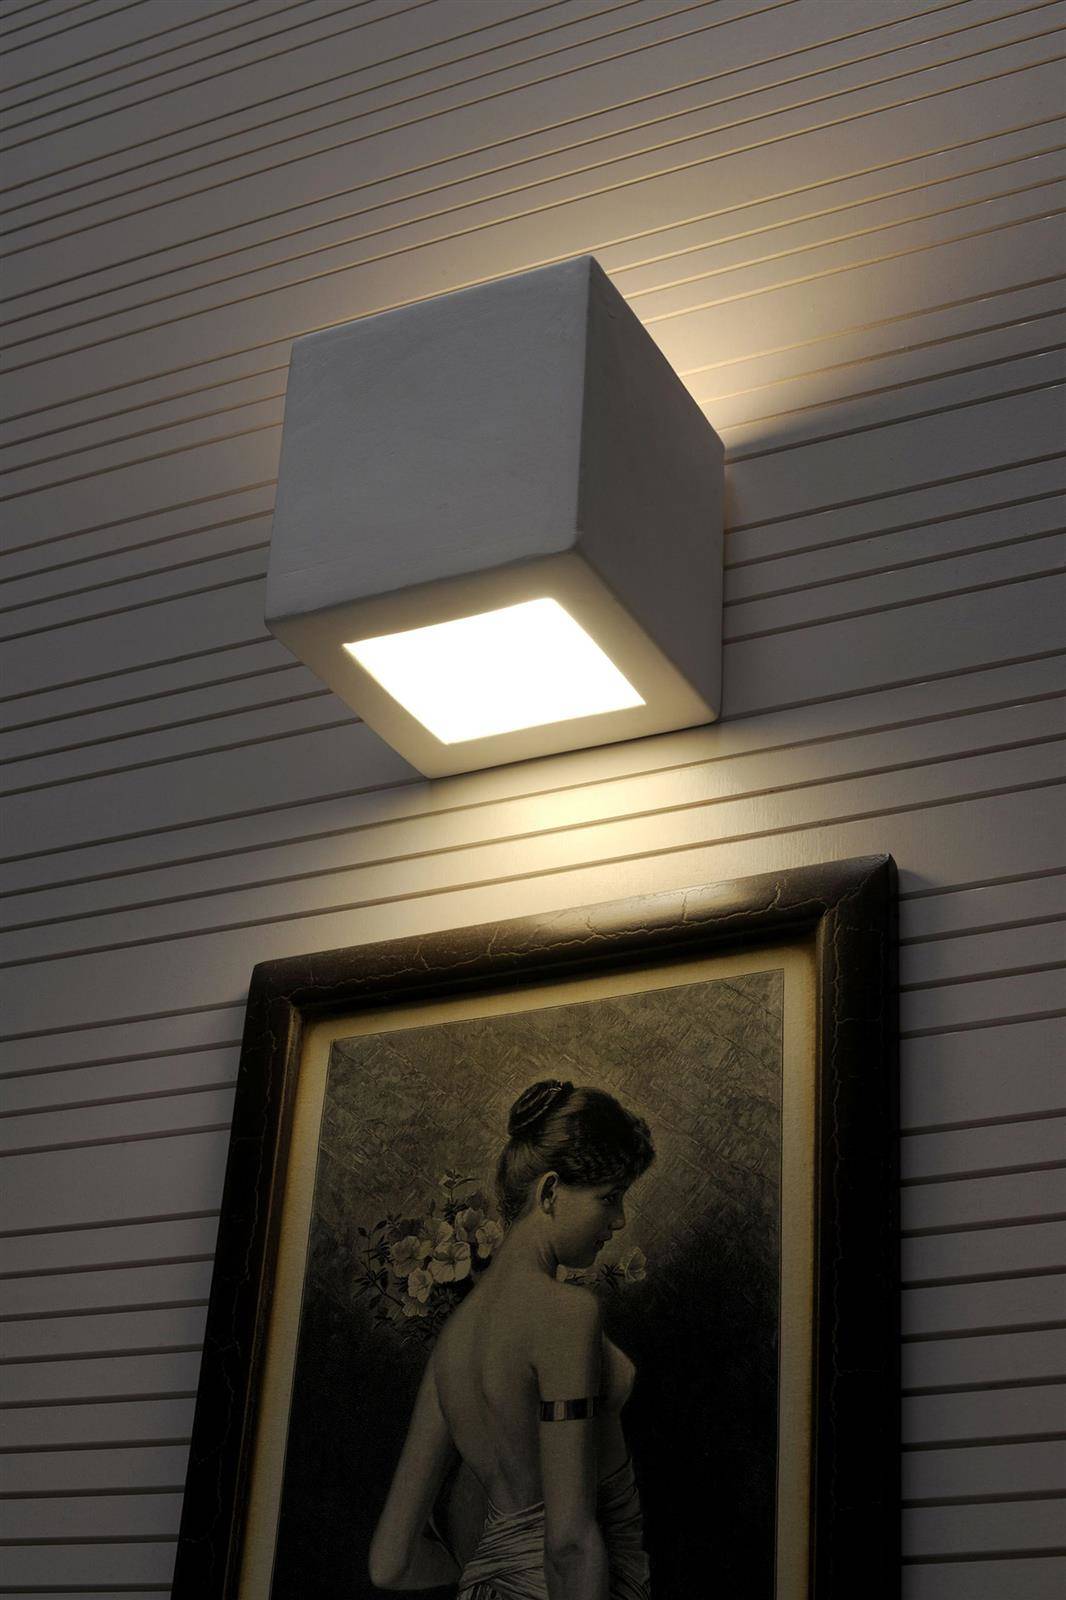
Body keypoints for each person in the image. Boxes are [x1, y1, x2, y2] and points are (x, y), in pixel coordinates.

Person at [368, 1078, 655, 1598]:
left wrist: (492, 1571)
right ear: (549, 1192)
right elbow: (569, 1544)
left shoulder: (453, 1342)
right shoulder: (567, 1314)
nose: (619, 1221)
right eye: (610, 1198)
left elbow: (390, 1563)